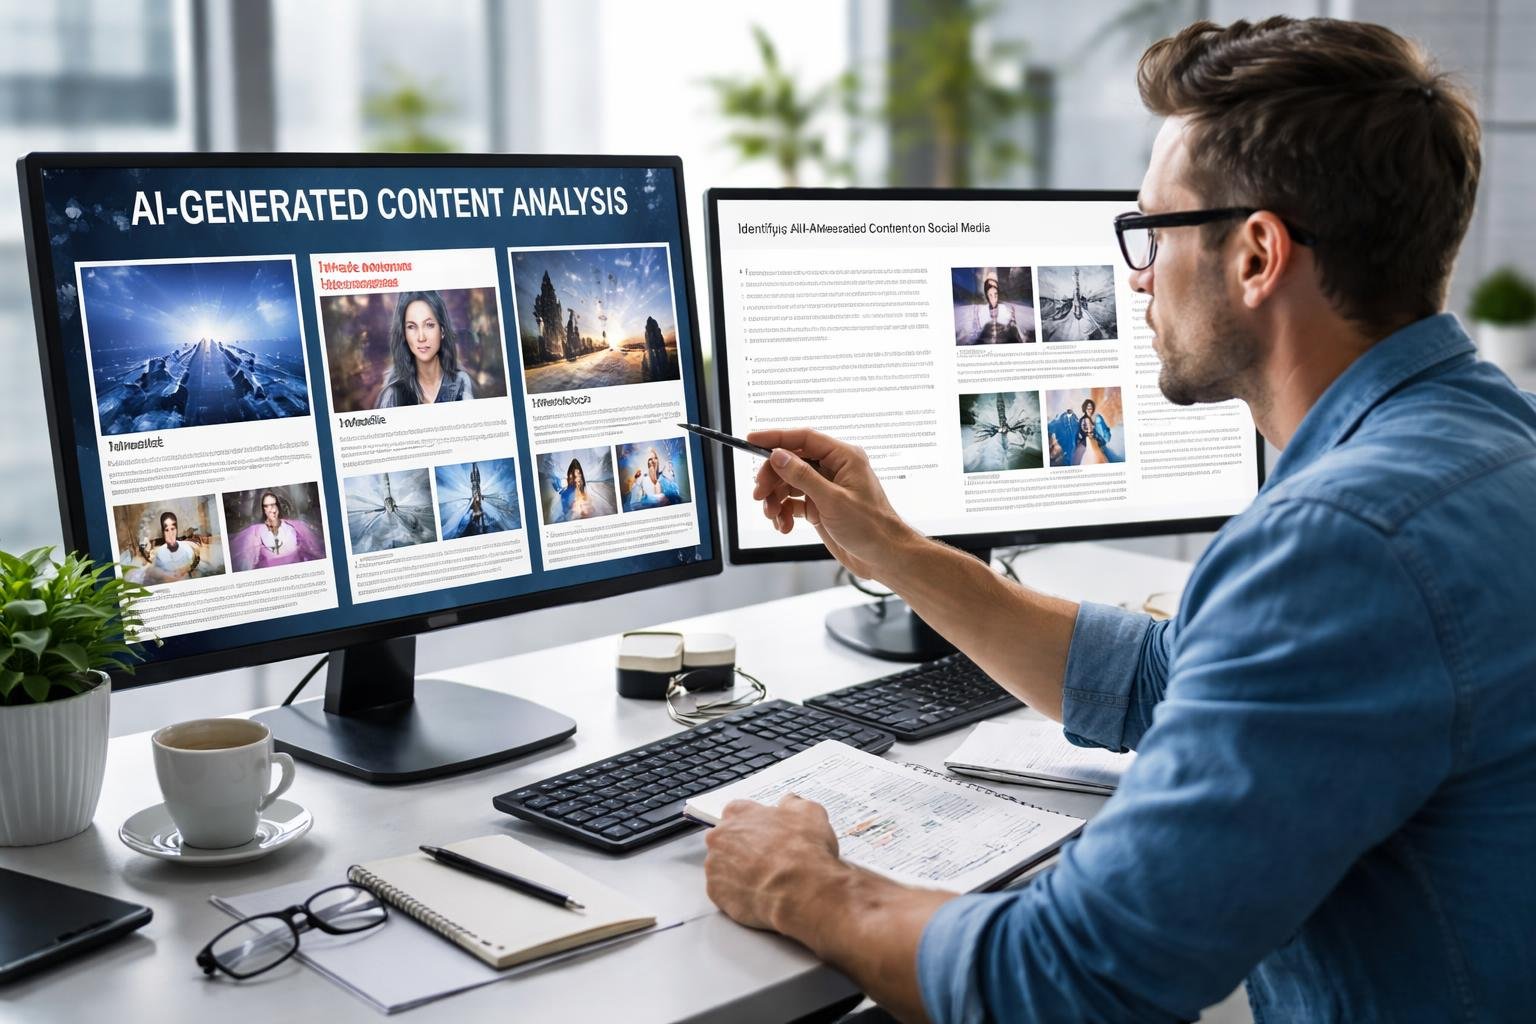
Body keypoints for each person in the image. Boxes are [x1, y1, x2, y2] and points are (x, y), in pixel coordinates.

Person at [703, 17, 1533, 1023]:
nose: (1136, 274)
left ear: (1257, 255)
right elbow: (1160, 678)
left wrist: (805, 884)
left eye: (1151, 231)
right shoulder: (1486, 435)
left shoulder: (1344, 542)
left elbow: (1071, 980)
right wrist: (898, 550)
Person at [374, 290, 475, 407]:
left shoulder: (461, 382)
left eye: (429, 325)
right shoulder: (393, 394)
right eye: (411, 327)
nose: (421, 337)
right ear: (404, 334)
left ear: (442, 330)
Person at [229, 490, 325, 571]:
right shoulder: (255, 531)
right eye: (266, 506)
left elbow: (314, 551)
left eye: (273, 505)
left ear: (278, 506)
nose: (271, 509)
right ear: (263, 509)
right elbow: (247, 563)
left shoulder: (296, 527)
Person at [548, 457, 615, 522]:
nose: (577, 479)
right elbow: (564, 514)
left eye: (579, 475)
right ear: (569, 478)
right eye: (574, 476)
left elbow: (601, 509)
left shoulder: (590, 489)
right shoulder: (565, 494)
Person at [145, 511, 198, 582]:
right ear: (163, 532)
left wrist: (185, 569)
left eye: (173, 529)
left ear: (176, 529)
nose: (170, 534)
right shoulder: (159, 552)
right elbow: (150, 570)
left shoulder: (186, 548)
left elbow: (193, 561)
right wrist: (164, 576)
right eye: (167, 530)